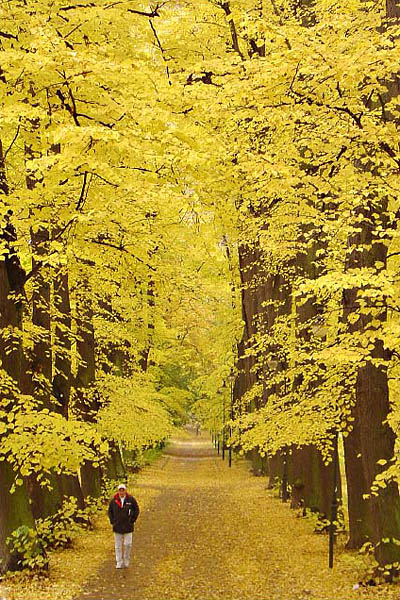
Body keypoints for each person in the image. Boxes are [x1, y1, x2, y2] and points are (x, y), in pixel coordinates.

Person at [108, 483, 140, 569]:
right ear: (118, 491)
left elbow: (136, 510)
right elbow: (110, 512)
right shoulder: (114, 501)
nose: (121, 492)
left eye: (123, 490)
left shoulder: (131, 500)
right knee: (118, 546)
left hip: (128, 527)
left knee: (128, 544)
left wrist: (132, 520)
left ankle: (126, 559)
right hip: (117, 526)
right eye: (120, 490)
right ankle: (119, 561)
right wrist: (112, 521)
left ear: (125, 491)